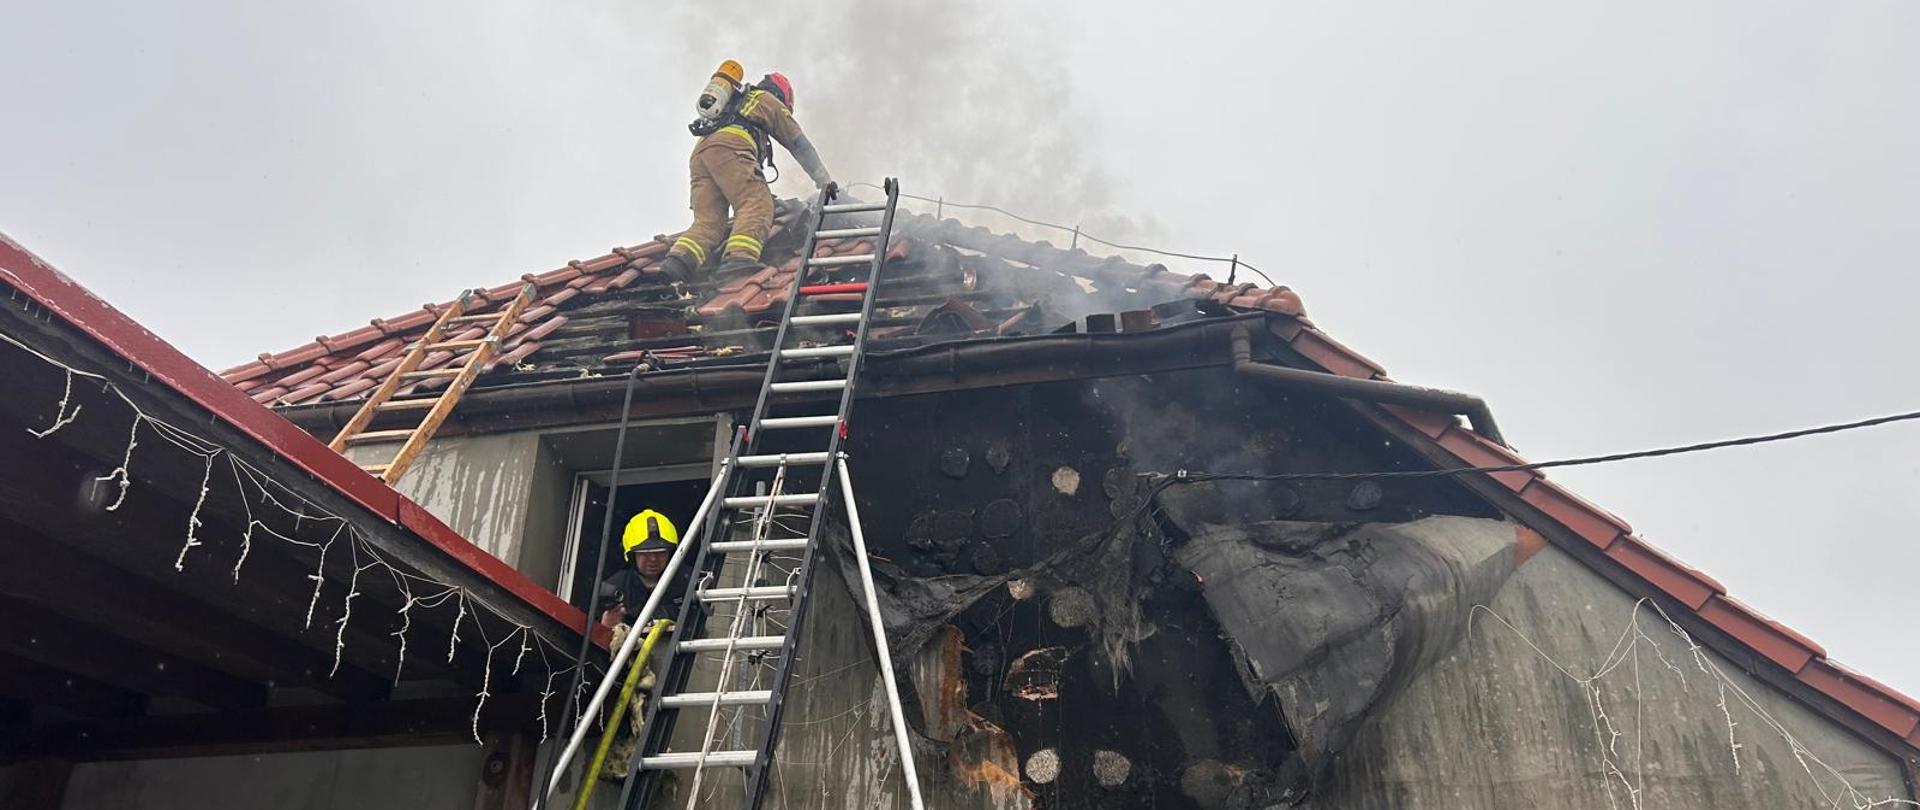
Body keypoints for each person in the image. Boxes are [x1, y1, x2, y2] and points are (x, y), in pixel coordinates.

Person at [658, 63, 837, 285]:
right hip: (730, 149)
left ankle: (677, 263)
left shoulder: (732, 106)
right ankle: (739, 260)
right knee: (756, 204)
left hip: (701, 155)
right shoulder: (766, 100)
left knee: (709, 221)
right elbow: (798, 142)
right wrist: (823, 179)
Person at [599, 508, 686, 630]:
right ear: (632, 556)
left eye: (661, 552)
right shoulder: (615, 587)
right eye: (645, 553)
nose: (653, 559)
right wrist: (606, 626)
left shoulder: (689, 582)